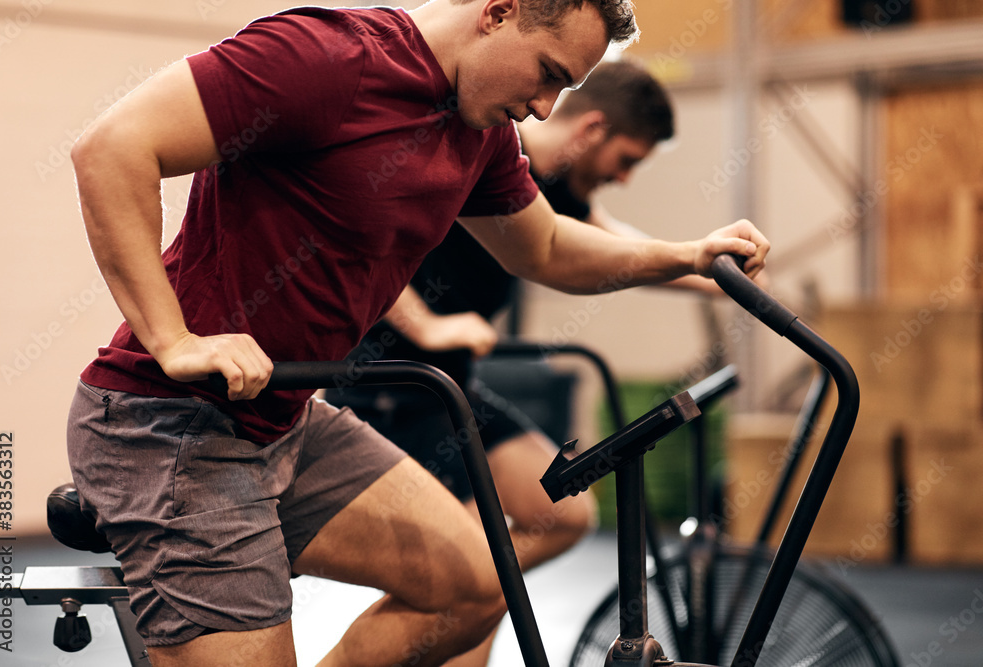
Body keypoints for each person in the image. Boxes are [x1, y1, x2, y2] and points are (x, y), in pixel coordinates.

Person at [67, 1, 769, 666]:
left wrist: (689, 254)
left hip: (284, 420)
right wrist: (173, 337)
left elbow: (548, 247)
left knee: (478, 584)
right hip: (170, 426)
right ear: (499, 11)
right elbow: (112, 147)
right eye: (549, 74)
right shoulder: (327, 56)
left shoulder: (482, 133)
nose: (545, 108)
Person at [325, 58, 717, 667]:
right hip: (388, 386)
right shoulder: (472, 153)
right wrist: (424, 322)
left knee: (560, 514)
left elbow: (609, 249)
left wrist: (707, 270)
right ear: (591, 130)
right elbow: (368, 239)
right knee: (479, 579)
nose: (624, 178)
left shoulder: (548, 187)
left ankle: (440, 610)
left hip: (452, 388)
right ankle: (446, 606)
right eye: (627, 160)